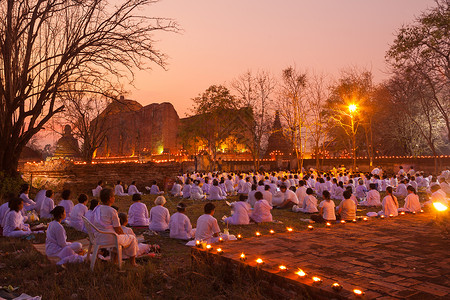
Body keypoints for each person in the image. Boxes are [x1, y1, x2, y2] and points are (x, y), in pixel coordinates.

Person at [92, 188, 138, 266]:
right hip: (108, 238)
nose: (114, 198)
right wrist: (124, 235)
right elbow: (118, 230)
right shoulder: (112, 211)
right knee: (132, 238)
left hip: (97, 236)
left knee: (119, 238)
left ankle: (115, 260)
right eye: (113, 196)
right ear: (110, 198)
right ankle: (133, 263)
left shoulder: (97, 208)